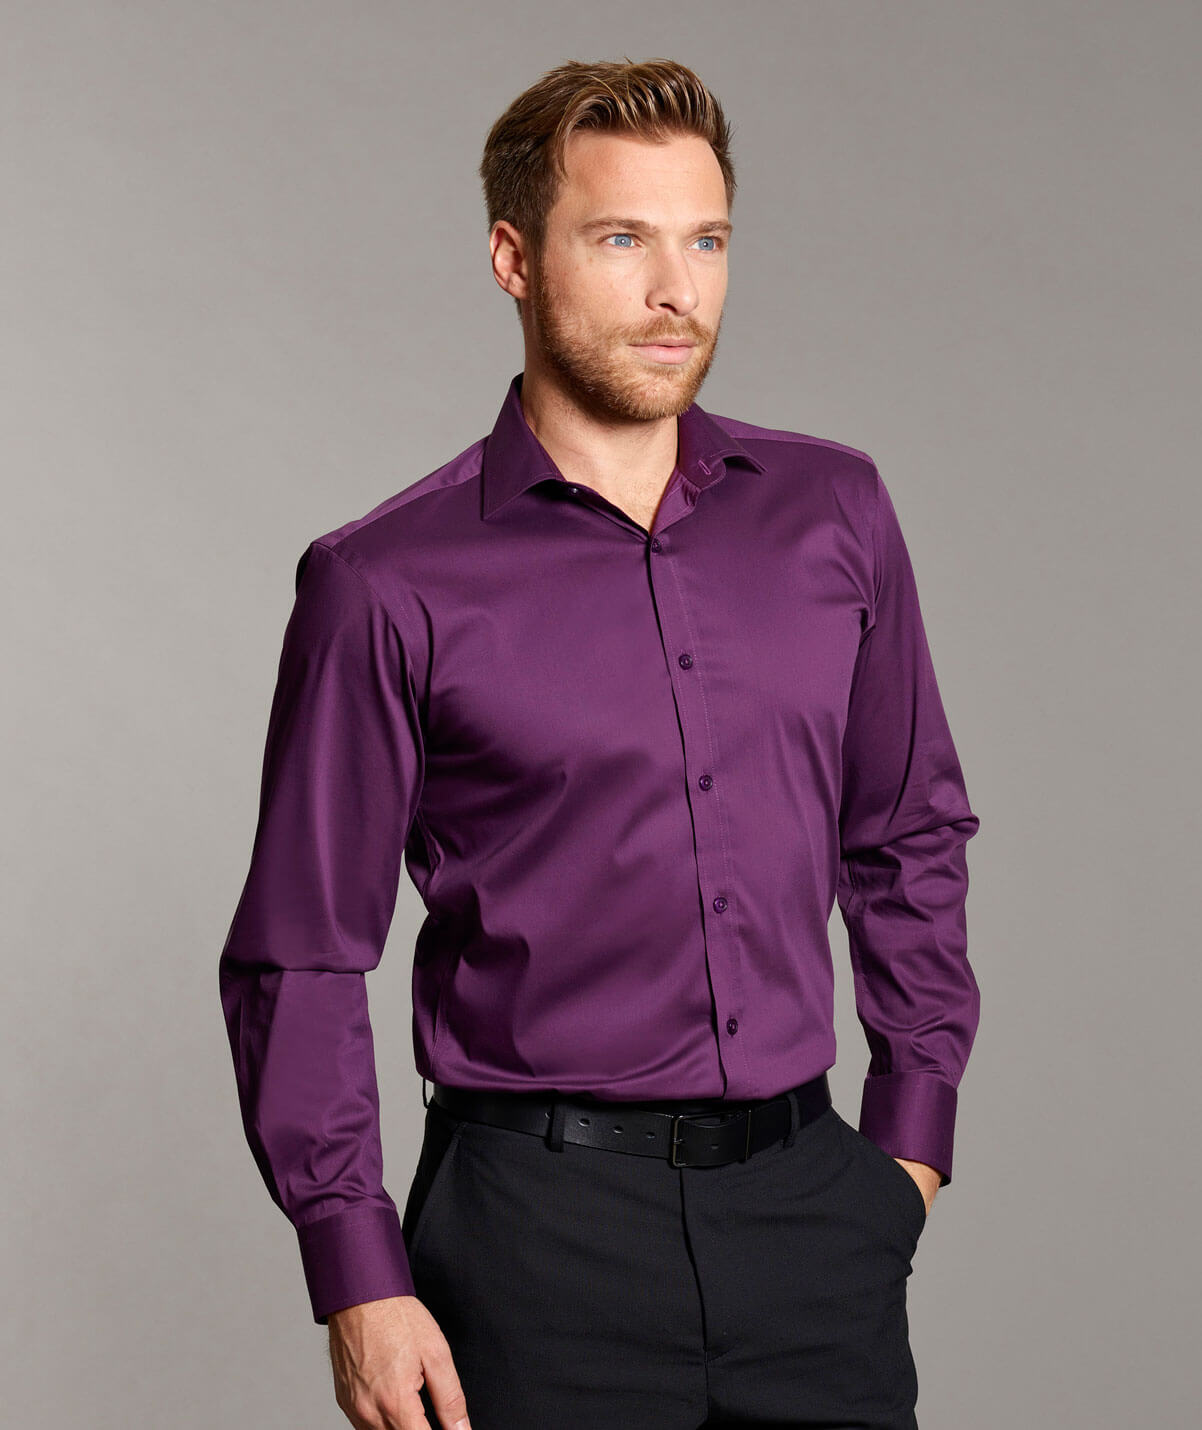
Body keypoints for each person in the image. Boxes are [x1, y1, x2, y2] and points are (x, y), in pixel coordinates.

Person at [218, 55, 981, 1430]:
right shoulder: (385, 582)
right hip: (532, 1240)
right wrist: (355, 1272)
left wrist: (906, 1146)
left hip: (815, 1221)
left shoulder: (835, 514)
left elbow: (906, 830)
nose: (676, 289)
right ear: (514, 258)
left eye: (706, 240)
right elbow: (302, 950)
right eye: (622, 238)